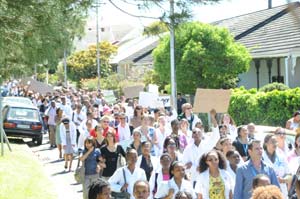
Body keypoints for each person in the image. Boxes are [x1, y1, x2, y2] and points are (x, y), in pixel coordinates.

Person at [182, 109, 220, 188]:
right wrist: (195, 168)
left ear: (202, 134)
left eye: (198, 132)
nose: (196, 134)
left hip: (208, 176)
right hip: (194, 179)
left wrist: (213, 118)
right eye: (194, 132)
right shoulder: (188, 149)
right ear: (192, 135)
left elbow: (216, 136)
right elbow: (185, 165)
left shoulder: (207, 144)